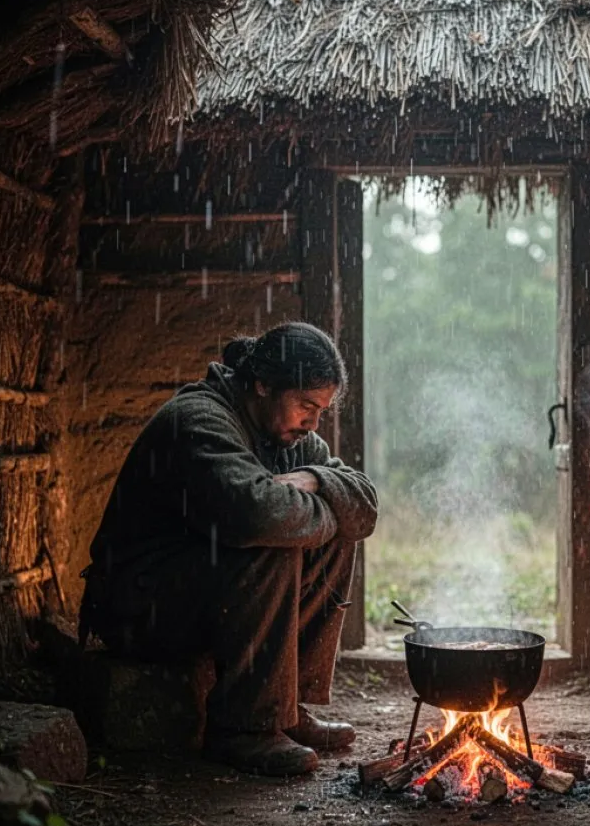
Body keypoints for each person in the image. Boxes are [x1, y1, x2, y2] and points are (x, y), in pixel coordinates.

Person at [78, 322, 377, 776]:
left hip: (199, 596)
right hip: (138, 606)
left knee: (330, 532)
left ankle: (285, 707)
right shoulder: (198, 419)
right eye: (306, 406)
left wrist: (318, 480)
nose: (314, 423)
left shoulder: (289, 437)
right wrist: (332, 506)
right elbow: (255, 517)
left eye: (322, 410)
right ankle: (243, 729)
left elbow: (365, 507)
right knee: (273, 539)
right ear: (263, 385)